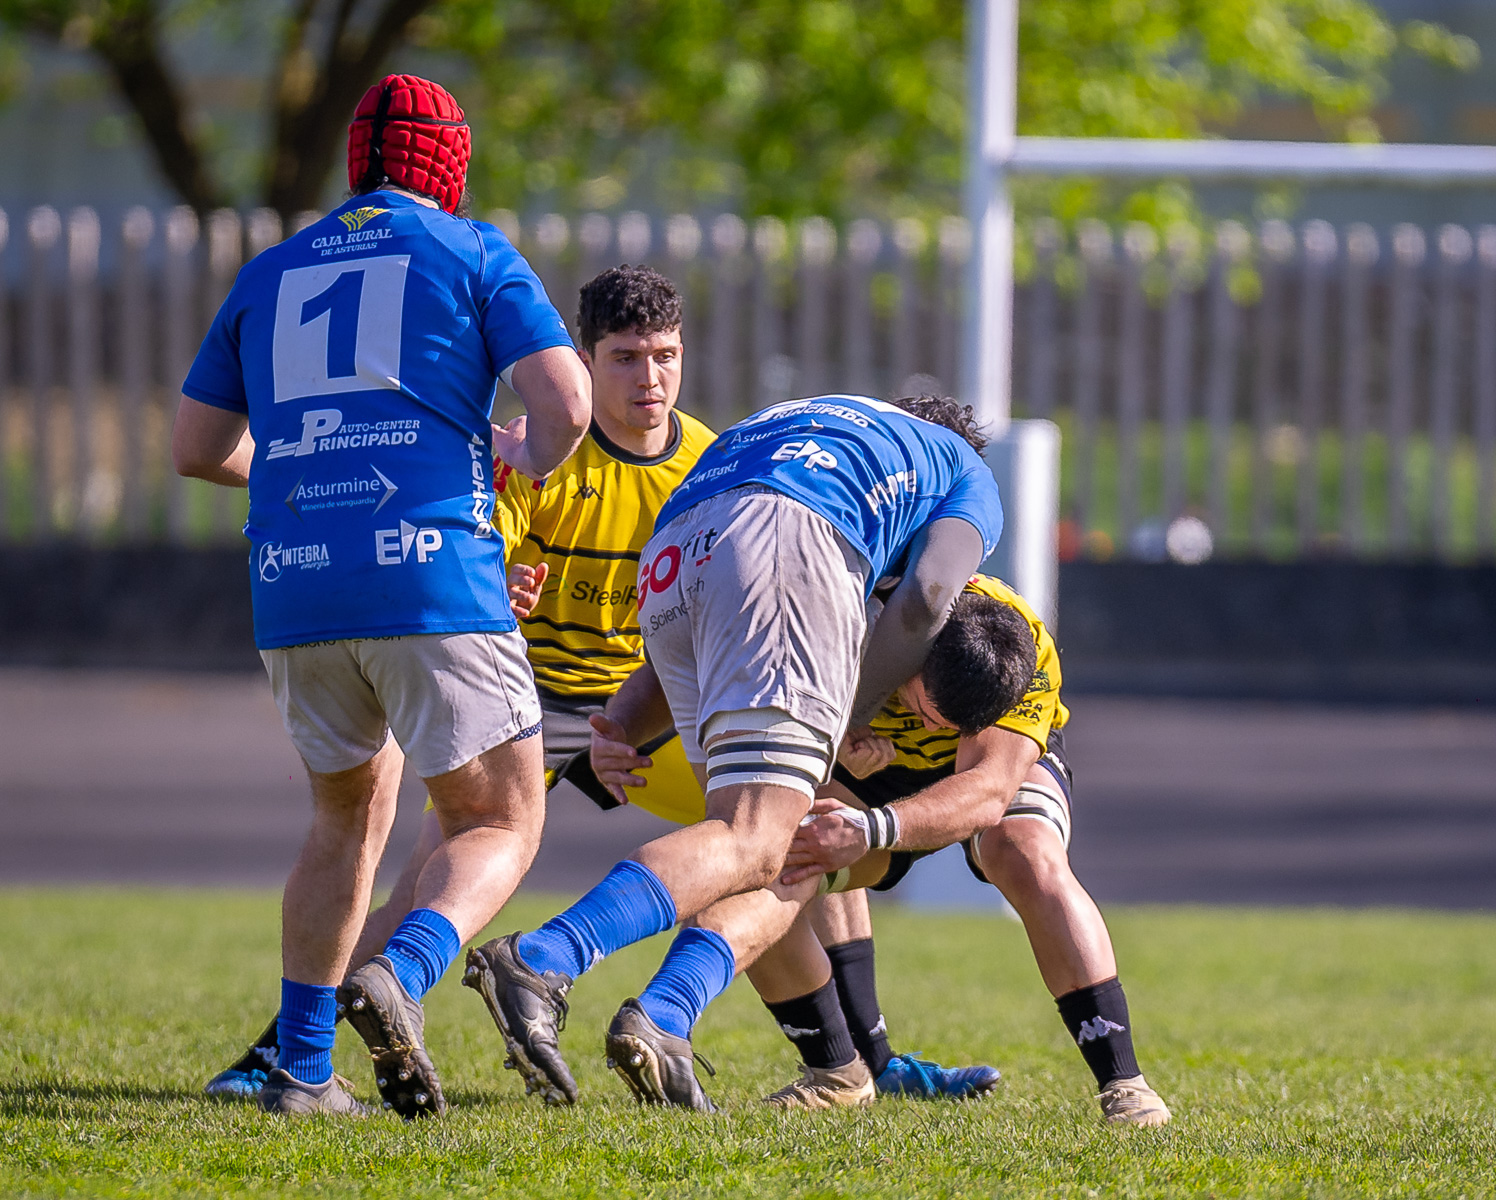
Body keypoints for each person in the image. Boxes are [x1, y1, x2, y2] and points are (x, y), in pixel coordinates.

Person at [173, 73, 590, 1118]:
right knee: (500, 820)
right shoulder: (473, 251)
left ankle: (304, 1072)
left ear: (356, 161)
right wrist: (521, 461)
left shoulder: (272, 270)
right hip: (429, 570)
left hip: (294, 586)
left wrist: (300, 477)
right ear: (448, 166)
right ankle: (399, 973)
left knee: (343, 822)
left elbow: (194, 448)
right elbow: (569, 404)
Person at [463, 393, 1004, 1108]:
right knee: (757, 838)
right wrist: (853, 712)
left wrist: (625, 717)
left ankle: (693, 1028)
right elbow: (932, 593)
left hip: (673, 554)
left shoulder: (817, 421)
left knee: (760, 844)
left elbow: (732, 559)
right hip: (786, 541)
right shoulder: (961, 469)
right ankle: (543, 957)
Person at [596, 574, 1173, 1126]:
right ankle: (736, 1036)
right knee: (781, 853)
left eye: (952, 725)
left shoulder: (1022, 648)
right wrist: (623, 723)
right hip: (861, 769)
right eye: (926, 711)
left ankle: (1124, 1082)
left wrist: (872, 829)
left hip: (984, 777)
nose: (933, 728)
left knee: (1023, 849)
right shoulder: (850, 609)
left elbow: (988, 790)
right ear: (914, 655)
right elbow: (700, 647)